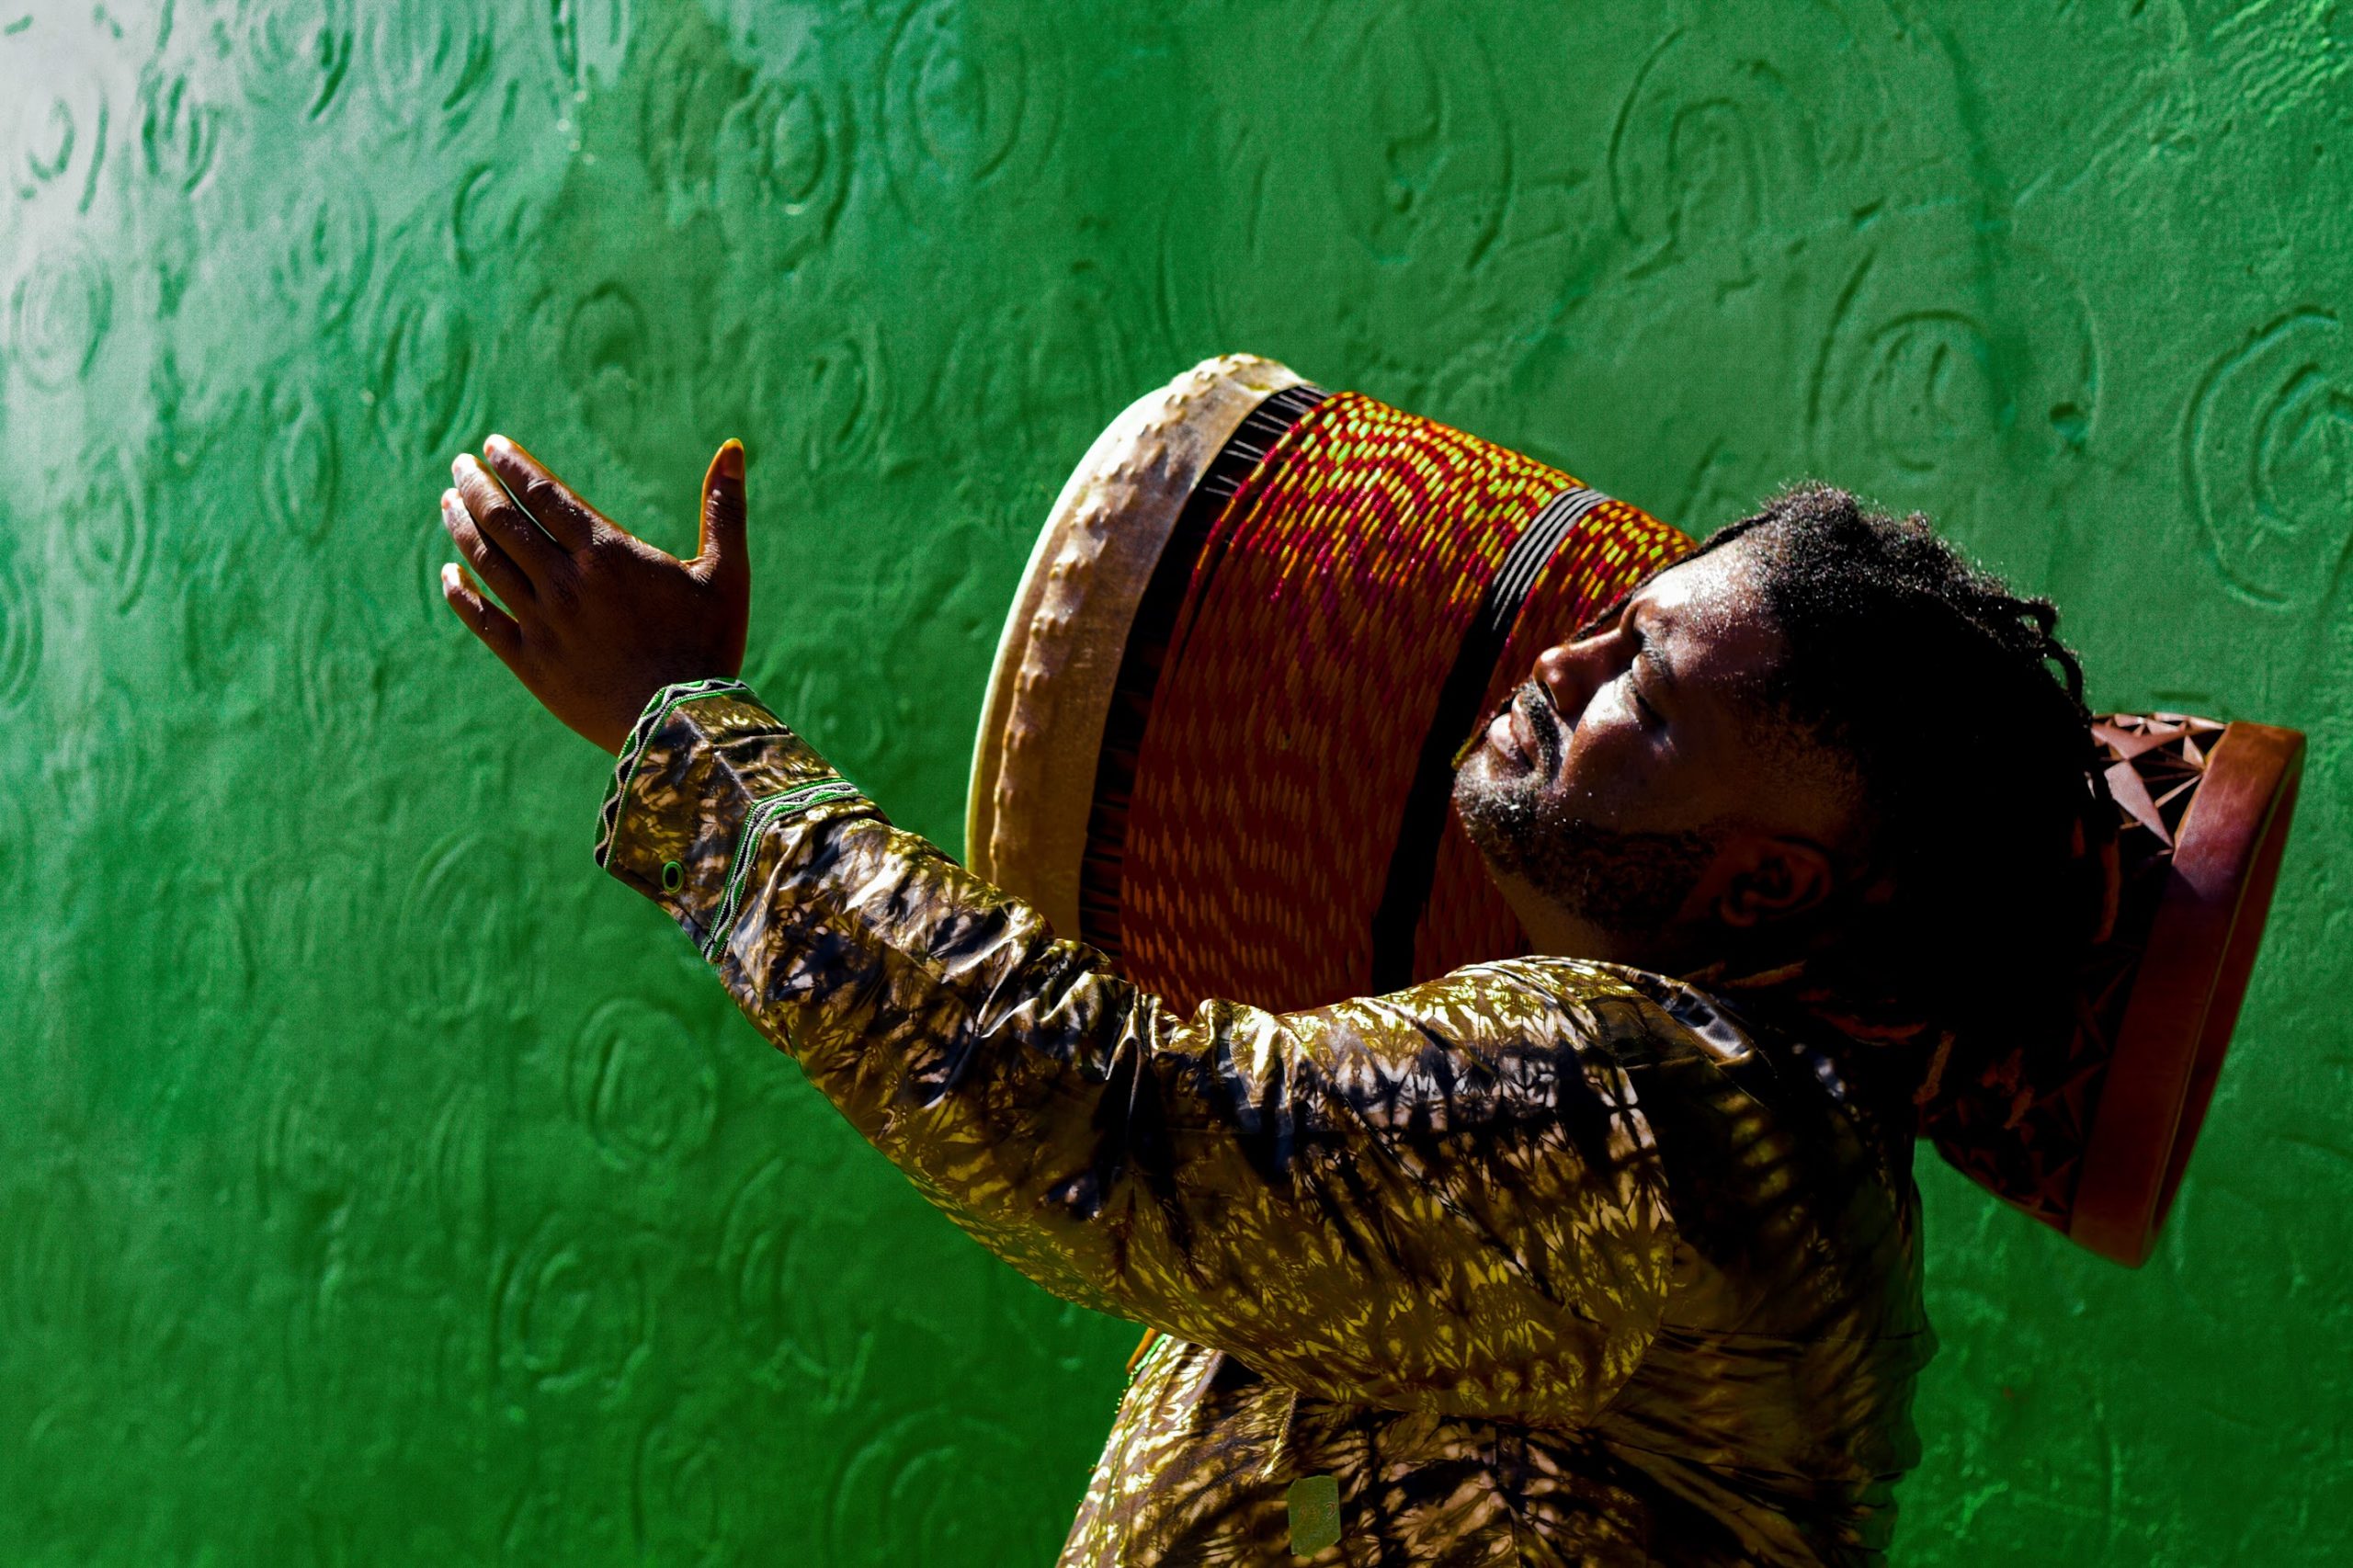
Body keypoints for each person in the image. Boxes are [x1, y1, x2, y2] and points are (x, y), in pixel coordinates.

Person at [435, 431, 2111, 1567]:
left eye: (1647, 700)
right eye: (1614, 627)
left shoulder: (1669, 1109)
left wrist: (686, 730)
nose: (1564, 662)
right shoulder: (1728, 1113)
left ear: (1763, 889)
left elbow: (1112, 1116)